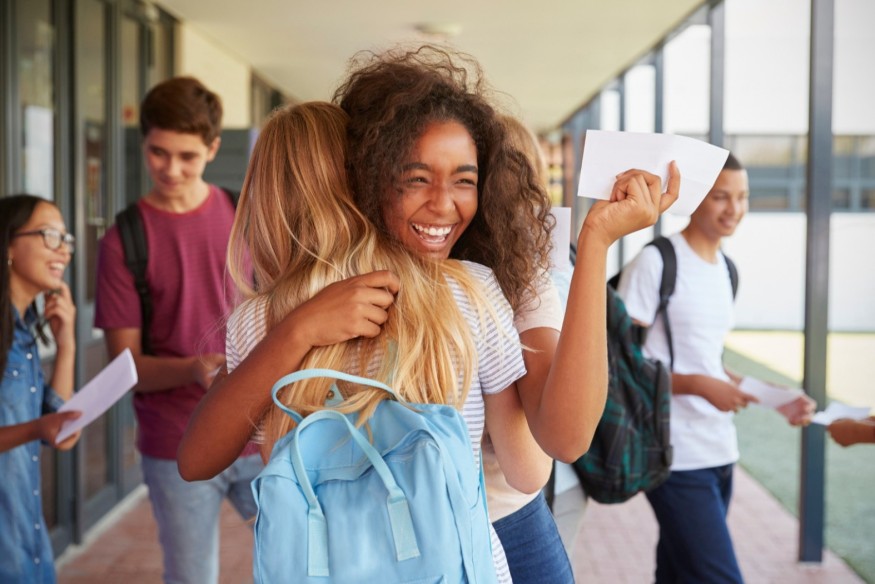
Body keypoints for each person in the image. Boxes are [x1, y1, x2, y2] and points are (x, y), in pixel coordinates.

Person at [333, 44, 679, 583]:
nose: (442, 203)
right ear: (372, 173)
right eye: (416, 177)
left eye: (464, 178)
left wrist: (595, 242)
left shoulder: (507, 277)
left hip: (504, 521)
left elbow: (563, 439)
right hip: (374, 536)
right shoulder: (338, 282)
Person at [178, 101, 550, 581]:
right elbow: (527, 473)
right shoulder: (467, 289)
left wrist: (297, 331)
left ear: (264, 200)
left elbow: (195, 461)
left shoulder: (261, 322)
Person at [616, 152, 816, 583]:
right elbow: (621, 364)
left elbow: (710, 362)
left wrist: (774, 399)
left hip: (720, 451)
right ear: (695, 198)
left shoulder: (727, 270)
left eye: (743, 197)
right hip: (673, 453)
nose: (734, 209)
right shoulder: (657, 261)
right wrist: (698, 386)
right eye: (721, 197)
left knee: (678, 572)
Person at [94, 77, 262, 584]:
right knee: (191, 577)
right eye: (158, 153)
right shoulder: (124, 240)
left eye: (186, 156)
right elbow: (125, 368)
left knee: (300, 565)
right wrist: (192, 368)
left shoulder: (245, 218)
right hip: (175, 443)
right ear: (143, 143)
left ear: (212, 148)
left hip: (259, 430)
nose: (171, 169)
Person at [1, 194, 80, 583]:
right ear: (8, 245)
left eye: (66, 239)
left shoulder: (26, 333)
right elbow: (43, 429)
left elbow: (61, 434)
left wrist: (67, 345)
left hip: (27, 538)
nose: (63, 250)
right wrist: (36, 429)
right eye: (50, 235)